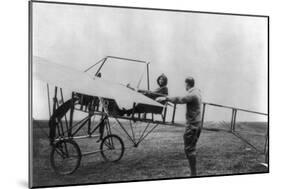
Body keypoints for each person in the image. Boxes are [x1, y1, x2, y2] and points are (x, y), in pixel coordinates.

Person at [156, 76, 202, 176]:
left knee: (189, 149)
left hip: (193, 126)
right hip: (197, 124)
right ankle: (193, 173)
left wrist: (165, 98)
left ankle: (193, 174)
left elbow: (180, 99)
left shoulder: (193, 94)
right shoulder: (197, 91)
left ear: (187, 84)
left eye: (185, 84)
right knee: (190, 148)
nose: (184, 86)